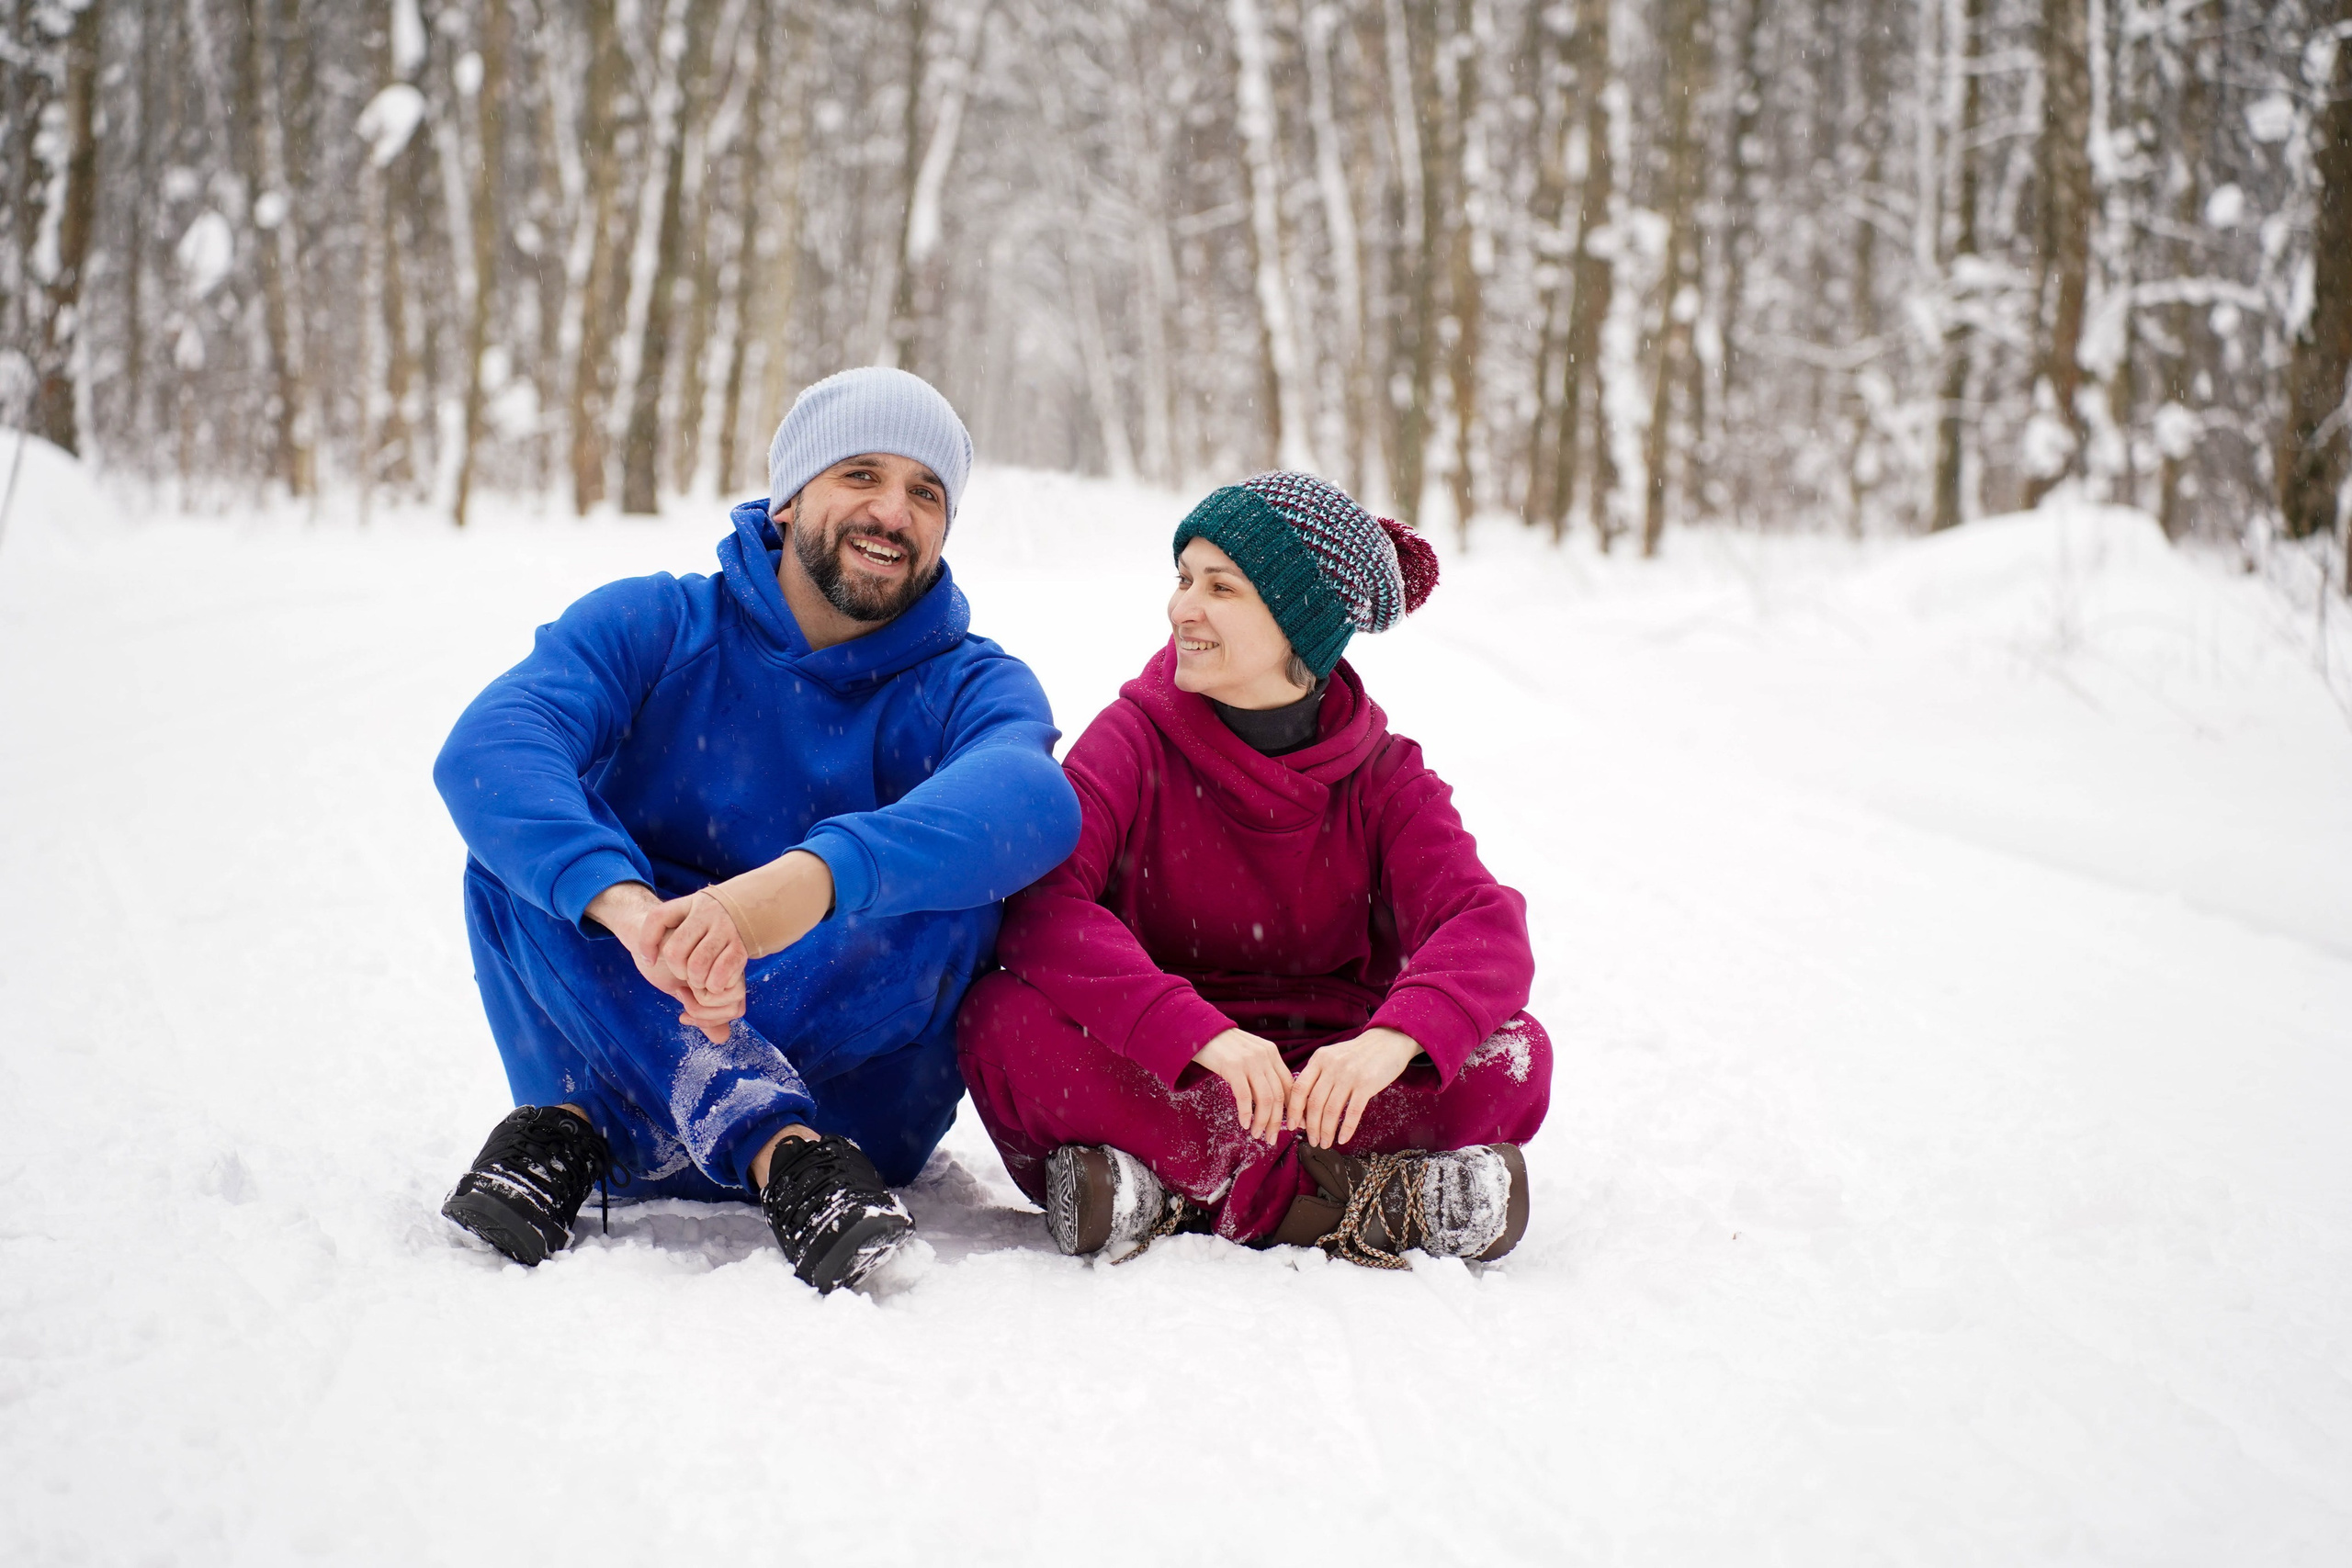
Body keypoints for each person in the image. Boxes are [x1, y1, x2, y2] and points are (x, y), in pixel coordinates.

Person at [434, 367, 1080, 1292]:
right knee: (524, 855)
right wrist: (633, 917)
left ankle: (590, 1127)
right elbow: (493, 746)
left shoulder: (970, 682)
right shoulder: (656, 622)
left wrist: (795, 889)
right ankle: (767, 1138)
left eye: (924, 493)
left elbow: (1029, 798)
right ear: (787, 500)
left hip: (847, 1118)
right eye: (861, 474)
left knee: (959, 875)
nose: (893, 511)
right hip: (800, 1157)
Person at [956, 471, 1551, 1268]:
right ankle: (1359, 1198)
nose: (1181, 608)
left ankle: (1177, 1194)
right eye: (1183, 579)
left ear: (1296, 624)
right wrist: (1196, 1032)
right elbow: (1044, 908)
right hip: (1172, 1072)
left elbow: (1485, 925)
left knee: (1512, 1052)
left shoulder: (1383, 775)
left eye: (1220, 587)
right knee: (998, 1015)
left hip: (1329, 1084)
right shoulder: (1133, 736)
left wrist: (1392, 1038)